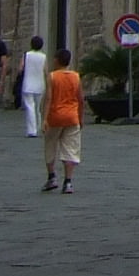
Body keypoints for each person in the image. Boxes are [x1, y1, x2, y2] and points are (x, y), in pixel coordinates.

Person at [41, 48, 83, 193]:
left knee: (50, 146)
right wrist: (80, 117)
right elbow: (80, 99)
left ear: (57, 60)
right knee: (70, 149)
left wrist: (44, 118)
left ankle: (51, 177)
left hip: (55, 117)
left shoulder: (52, 76)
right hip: (72, 117)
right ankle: (68, 181)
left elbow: (48, 98)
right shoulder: (76, 77)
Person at [19, 35, 47, 139]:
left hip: (28, 83)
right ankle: (38, 126)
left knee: (29, 107)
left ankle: (31, 130)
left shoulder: (26, 55)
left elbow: (20, 68)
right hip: (40, 84)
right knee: (38, 107)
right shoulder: (43, 56)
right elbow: (45, 71)